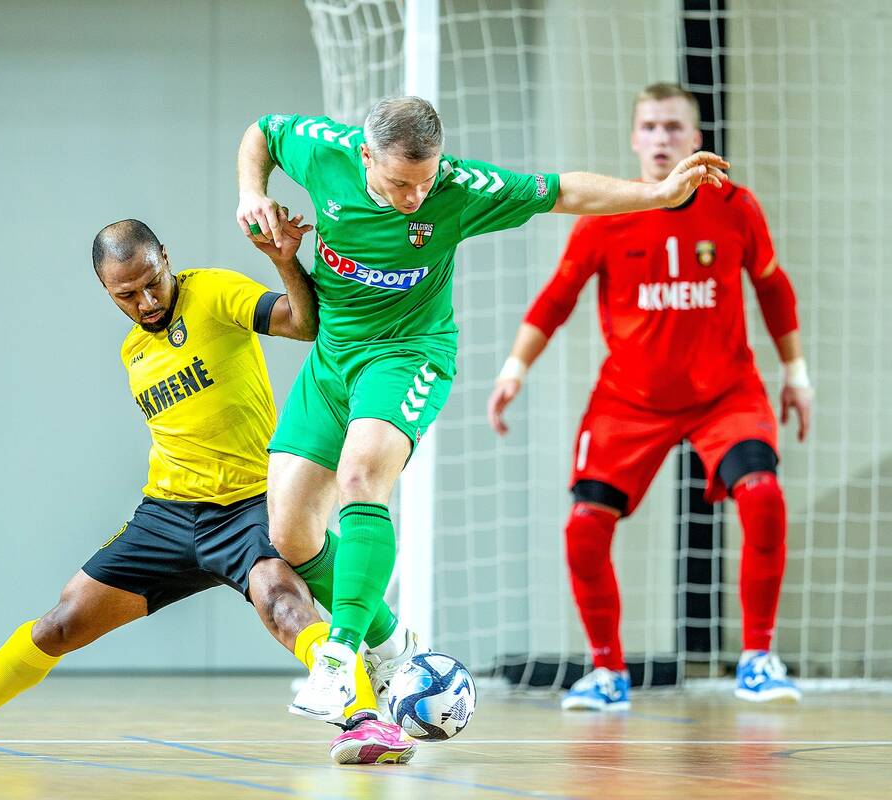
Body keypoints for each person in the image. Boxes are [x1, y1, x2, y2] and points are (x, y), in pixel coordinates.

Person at [235, 95, 729, 720]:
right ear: (365, 157)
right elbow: (263, 131)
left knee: (361, 477)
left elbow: (563, 191)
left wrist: (655, 194)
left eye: (425, 181)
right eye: (401, 184)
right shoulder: (323, 151)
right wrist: (251, 194)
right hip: (332, 359)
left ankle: (340, 656)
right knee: (289, 533)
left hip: (408, 356)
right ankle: (394, 646)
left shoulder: (459, 187)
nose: (417, 197)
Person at [0, 217, 416, 765]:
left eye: (152, 282)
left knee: (284, 605)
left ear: (166, 257)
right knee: (63, 621)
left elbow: (302, 324)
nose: (145, 302)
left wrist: (284, 261)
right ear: (106, 290)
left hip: (247, 509)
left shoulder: (213, 291)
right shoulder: (132, 352)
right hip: (166, 517)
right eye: (126, 294)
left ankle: (365, 721)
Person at [487, 83, 812, 710]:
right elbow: (557, 298)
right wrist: (513, 370)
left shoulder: (736, 206)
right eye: (651, 127)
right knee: (585, 528)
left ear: (697, 139)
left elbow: (773, 288)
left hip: (725, 393)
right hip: (629, 400)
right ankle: (608, 673)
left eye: (674, 127)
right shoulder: (606, 215)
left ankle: (758, 659)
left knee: (763, 494)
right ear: (635, 139)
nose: (662, 138)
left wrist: (796, 375)